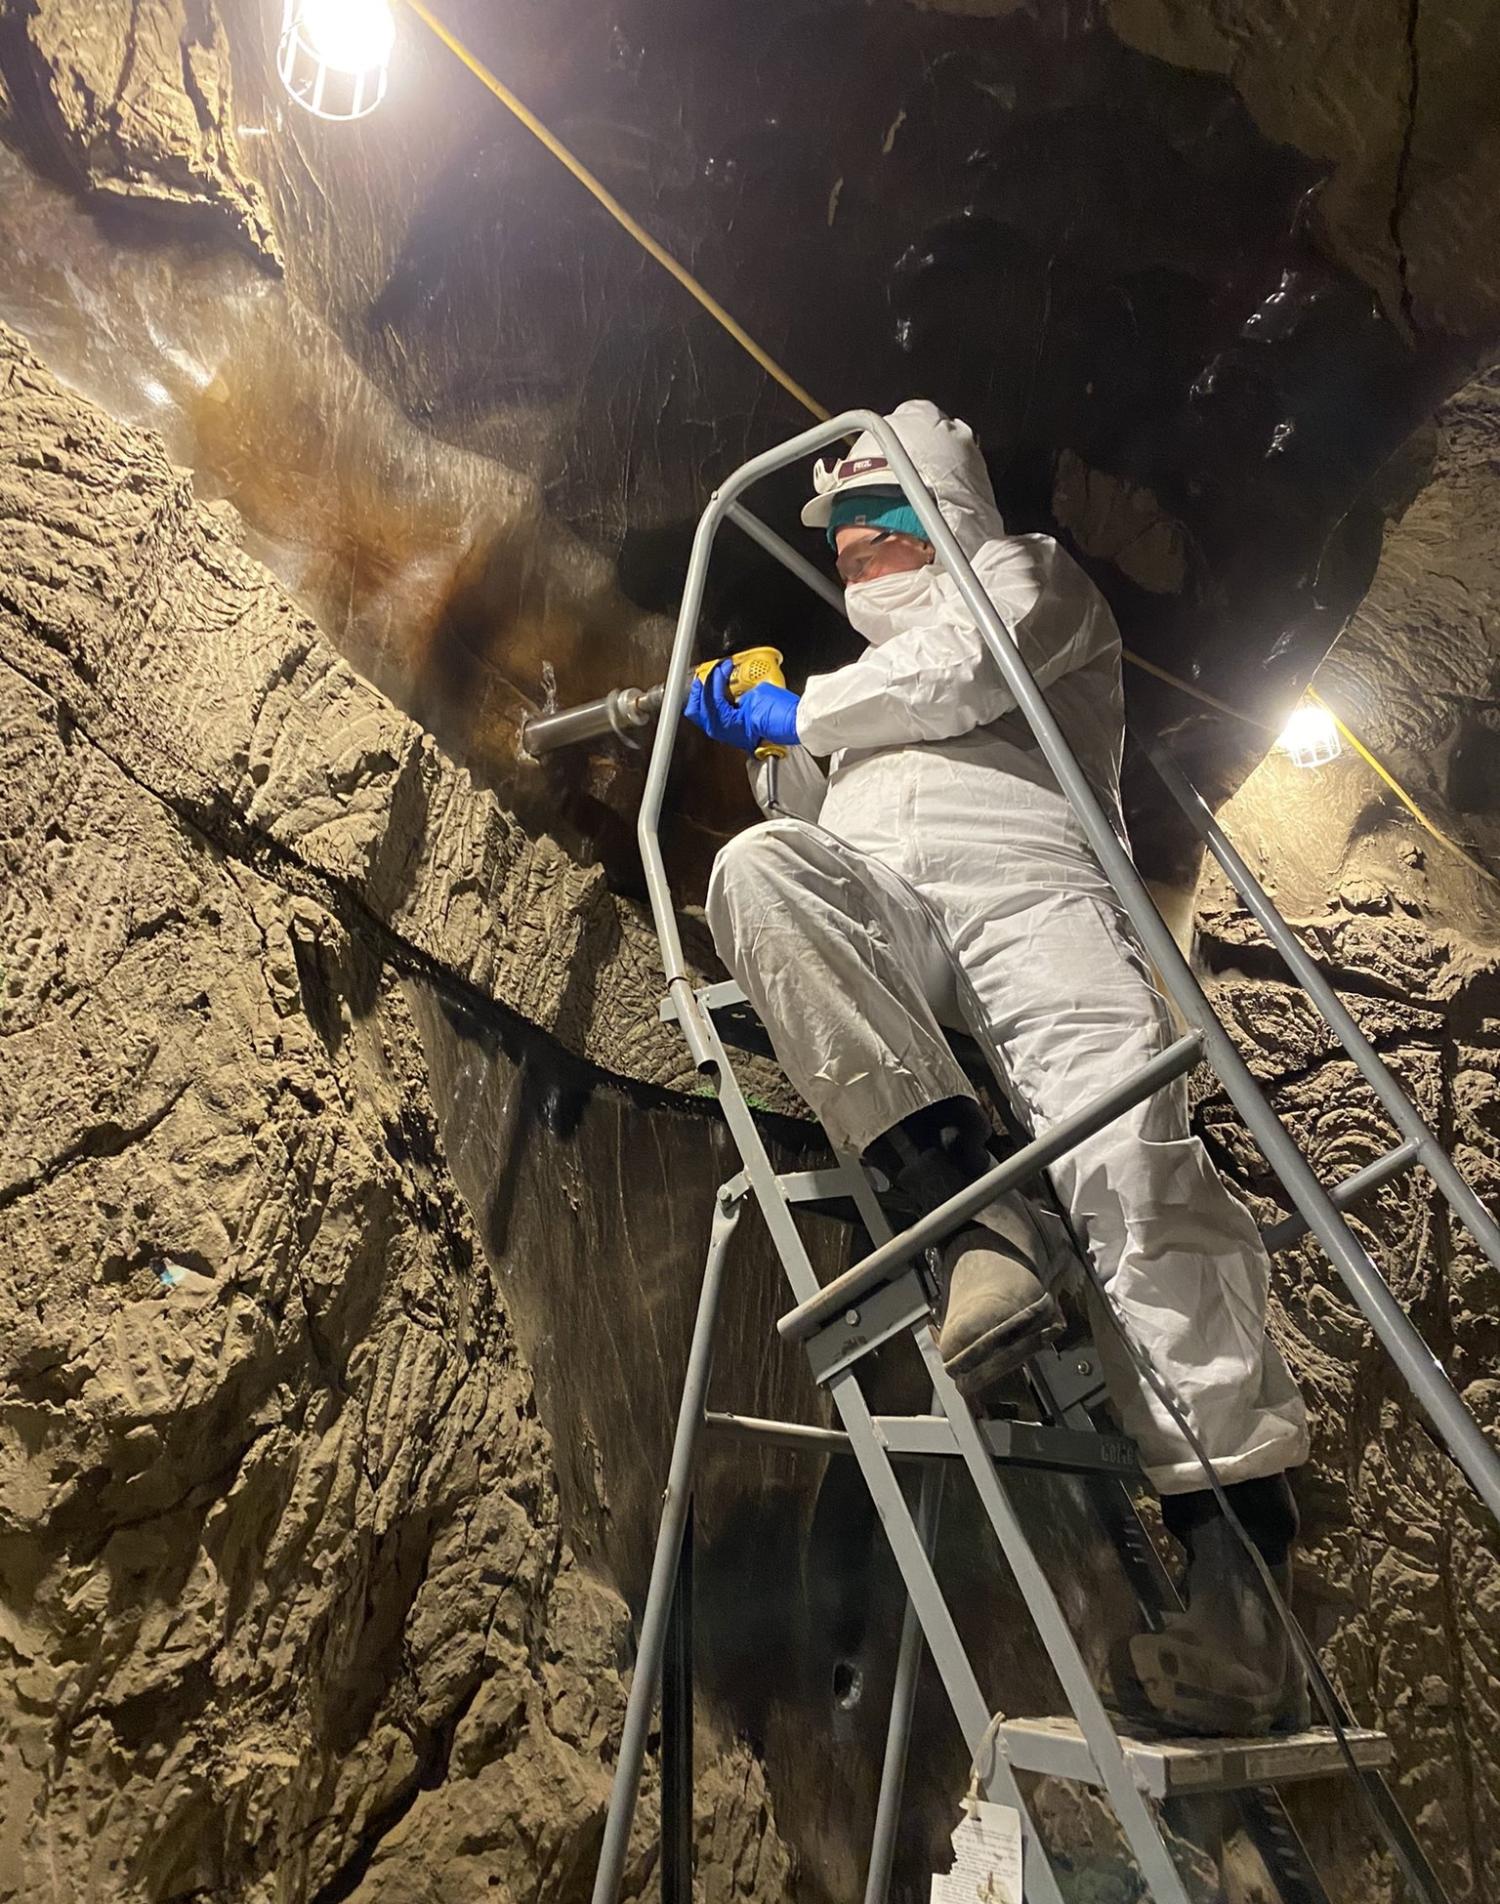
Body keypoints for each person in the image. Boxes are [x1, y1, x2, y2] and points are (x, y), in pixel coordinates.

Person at [684, 399, 1311, 1737]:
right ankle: (976, 1218)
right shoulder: (845, 706)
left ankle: (1238, 1583)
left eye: (871, 515)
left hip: (1033, 893)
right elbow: (808, 830)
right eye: (839, 531)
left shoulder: (1030, 581)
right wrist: (769, 754)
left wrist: (795, 699)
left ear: (939, 504)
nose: (851, 546)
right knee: (757, 877)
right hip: (896, 907)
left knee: (1129, 1164)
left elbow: (963, 673)